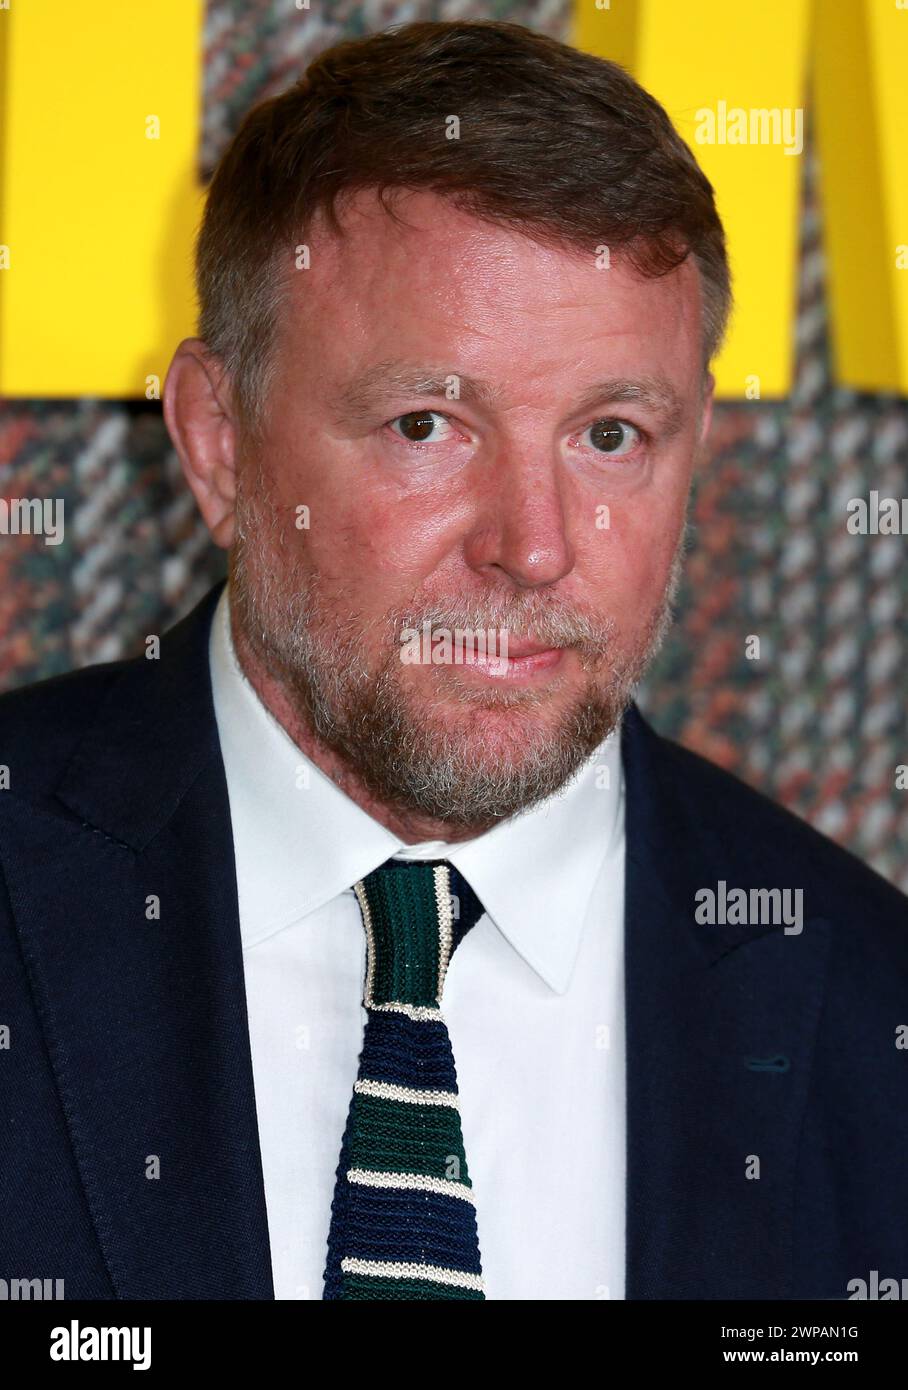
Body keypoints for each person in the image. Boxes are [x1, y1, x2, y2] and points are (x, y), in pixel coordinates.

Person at [1, 20, 906, 1302]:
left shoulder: (870, 1007)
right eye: (427, 423)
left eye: (607, 434)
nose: (532, 549)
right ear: (217, 442)